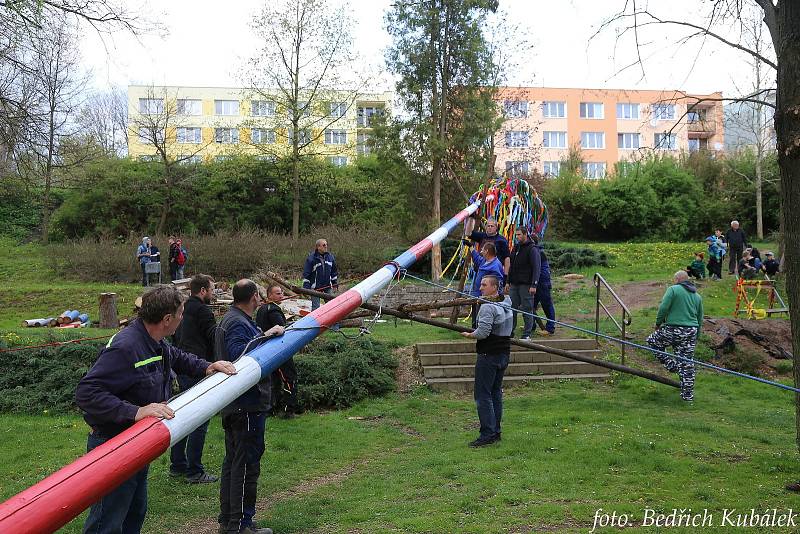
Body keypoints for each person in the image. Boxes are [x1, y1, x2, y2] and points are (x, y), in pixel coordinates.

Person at [75, 286, 237, 534]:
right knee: (107, 520)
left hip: (137, 442)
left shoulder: (155, 340)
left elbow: (177, 357)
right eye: (181, 313)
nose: (183, 318)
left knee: (134, 513)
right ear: (167, 319)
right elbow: (87, 392)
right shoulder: (126, 346)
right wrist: (136, 411)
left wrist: (208, 366)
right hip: (113, 445)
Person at [216, 279, 284, 534]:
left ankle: (228, 521)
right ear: (255, 296)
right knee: (245, 465)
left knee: (234, 462)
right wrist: (267, 335)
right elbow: (238, 356)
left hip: (238, 404)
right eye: (259, 294)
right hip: (245, 404)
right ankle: (240, 524)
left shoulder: (235, 319)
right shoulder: (236, 322)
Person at [169, 274, 219, 484]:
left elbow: (173, 336)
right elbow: (215, 337)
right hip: (199, 368)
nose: (214, 292)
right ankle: (194, 471)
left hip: (182, 365)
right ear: (203, 291)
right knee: (199, 419)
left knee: (181, 417)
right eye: (212, 289)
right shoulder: (204, 311)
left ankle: (177, 465)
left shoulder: (182, 309)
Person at [460, 275, 513, 447]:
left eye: (484, 285)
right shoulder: (507, 304)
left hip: (488, 356)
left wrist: (470, 335)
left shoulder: (488, 307)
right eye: (480, 284)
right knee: (495, 393)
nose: (480, 288)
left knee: (483, 395)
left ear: (494, 288)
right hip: (503, 355)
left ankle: (487, 434)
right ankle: (495, 431)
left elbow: (482, 333)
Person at [645, 270, 703, 402]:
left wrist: (658, 323)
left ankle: (671, 365)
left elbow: (663, 307)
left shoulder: (673, 289)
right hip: (691, 331)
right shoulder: (697, 296)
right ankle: (687, 396)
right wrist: (697, 336)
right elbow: (700, 317)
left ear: (677, 279)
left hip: (673, 328)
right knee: (687, 363)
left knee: (652, 342)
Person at [256, 284, 298, 418]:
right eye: (278, 293)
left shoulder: (262, 309)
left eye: (282, 293)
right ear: (269, 296)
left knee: (274, 380)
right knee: (289, 378)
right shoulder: (273, 310)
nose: (282, 296)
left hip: (266, 351)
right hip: (279, 350)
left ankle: (271, 408)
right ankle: (288, 410)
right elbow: (281, 330)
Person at [507, 228, 540, 340]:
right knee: (512, 308)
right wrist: (508, 281)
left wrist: (534, 284)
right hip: (514, 283)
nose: (517, 237)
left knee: (527, 308)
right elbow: (511, 266)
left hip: (526, 284)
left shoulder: (532, 249)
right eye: (516, 235)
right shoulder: (516, 248)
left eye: (519, 235)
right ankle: (510, 331)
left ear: (525, 234)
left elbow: (536, 267)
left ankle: (527, 334)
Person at [469, 241, 505, 328]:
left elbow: (498, 282)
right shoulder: (484, 261)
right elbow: (477, 259)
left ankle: (482, 330)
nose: (481, 251)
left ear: (487, 251)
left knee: (484, 314)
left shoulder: (496, 265)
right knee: (475, 313)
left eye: (483, 250)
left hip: (487, 297)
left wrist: (495, 296)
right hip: (477, 293)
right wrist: (471, 247)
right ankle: (474, 329)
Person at [302, 238, 338, 311]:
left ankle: (331, 321)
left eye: (326, 245)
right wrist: (306, 289)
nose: (326, 246)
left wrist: (335, 284)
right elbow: (306, 274)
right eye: (324, 245)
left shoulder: (330, 257)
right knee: (316, 308)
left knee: (331, 307)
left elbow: (334, 272)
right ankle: (314, 322)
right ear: (318, 247)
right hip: (315, 288)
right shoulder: (311, 259)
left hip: (328, 286)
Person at [531, 235, 556, 336]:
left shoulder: (538, 253)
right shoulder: (534, 251)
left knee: (547, 305)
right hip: (536, 282)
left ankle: (550, 328)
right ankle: (531, 325)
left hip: (542, 282)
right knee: (531, 305)